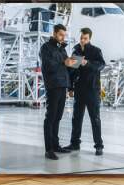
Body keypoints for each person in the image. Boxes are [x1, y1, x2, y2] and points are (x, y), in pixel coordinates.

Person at [63, 28, 106, 156]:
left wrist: (87, 63)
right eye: (81, 38)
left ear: (89, 38)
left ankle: (99, 146)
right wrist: (70, 88)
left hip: (92, 90)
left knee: (95, 119)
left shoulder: (95, 51)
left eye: (85, 38)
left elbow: (101, 65)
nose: (82, 40)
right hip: (79, 90)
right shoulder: (75, 51)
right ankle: (75, 143)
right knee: (76, 118)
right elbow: (72, 72)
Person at [39, 24, 77, 160]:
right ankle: (48, 149)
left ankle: (55, 146)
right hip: (53, 85)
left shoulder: (62, 49)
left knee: (58, 118)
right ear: (54, 33)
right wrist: (64, 62)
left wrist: (74, 65)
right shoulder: (46, 48)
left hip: (63, 86)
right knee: (50, 118)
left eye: (64, 35)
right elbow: (47, 65)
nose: (63, 37)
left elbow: (66, 68)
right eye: (61, 35)